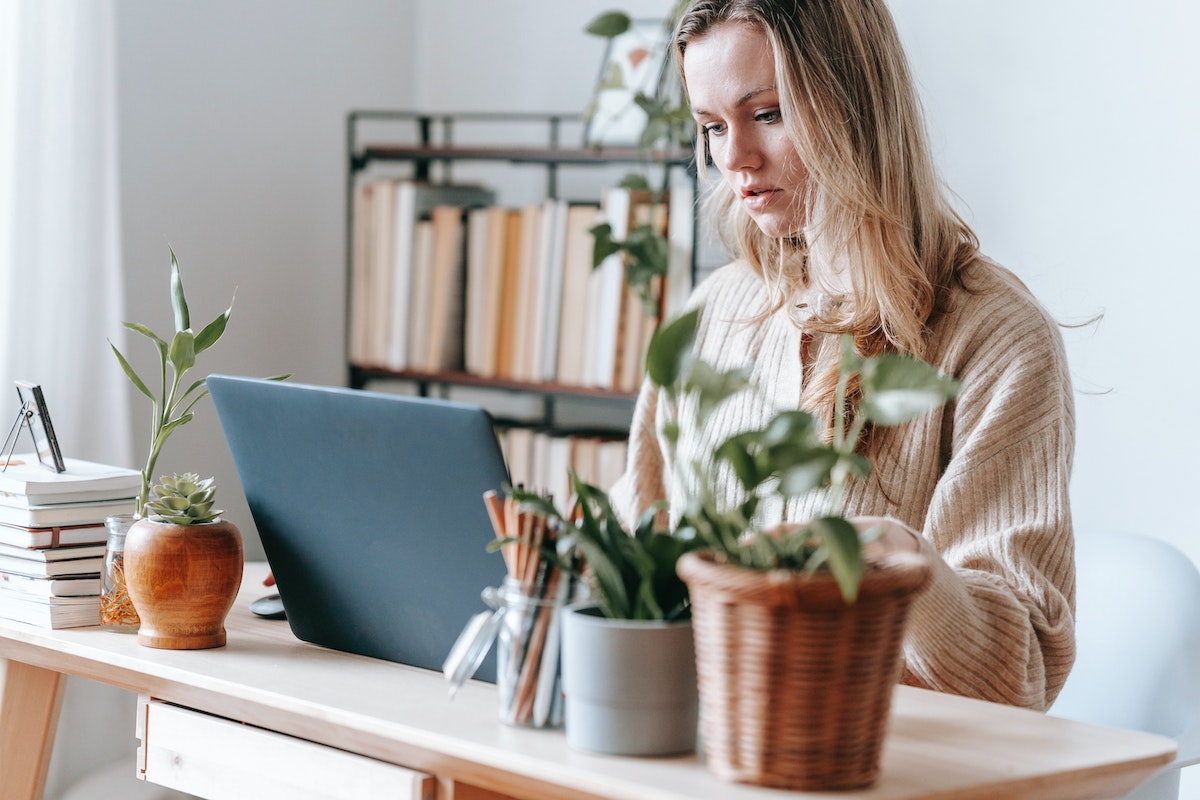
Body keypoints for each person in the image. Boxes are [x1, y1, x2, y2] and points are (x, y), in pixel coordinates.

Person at [609, 0, 1075, 711]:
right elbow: (638, 548)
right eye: (711, 127)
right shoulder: (713, 312)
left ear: (853, 101)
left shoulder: (996, 341)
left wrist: (906, 566)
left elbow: (1022, 673)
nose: (732, 158)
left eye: (767, 113)